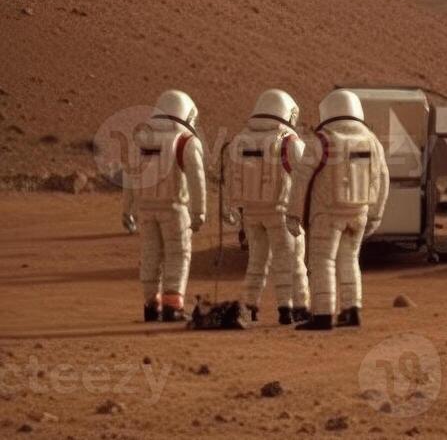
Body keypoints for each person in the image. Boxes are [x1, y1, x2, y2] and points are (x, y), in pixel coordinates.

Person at [287, 90, 388, 331]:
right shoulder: (372, 141)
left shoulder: (322, 140)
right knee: (350, 260)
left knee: (323, 261)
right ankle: (352, 310)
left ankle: (323, 314)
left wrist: (293, 214)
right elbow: (382, 179)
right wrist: (375, 215)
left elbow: (301, 179)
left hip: (327, 215)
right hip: (359, 212)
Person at [223, 89, 311, 325]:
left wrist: (232, 209)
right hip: (281, 213)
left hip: (251, 214)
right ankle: (292, 308)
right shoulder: (289, 141)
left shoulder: (239, 141)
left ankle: (250, 306)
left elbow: (230, 179)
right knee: (291, 260)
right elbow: (304, 178)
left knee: (256, 261)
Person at [122, 90, 207, 322]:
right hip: (174, 209)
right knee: (177, 254)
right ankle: (173, 305)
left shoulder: (141, 141)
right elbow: (196, 179)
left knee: (150, 254)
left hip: (146, 209)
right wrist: (199, 211)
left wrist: (127, 208)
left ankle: (151, 305)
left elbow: (130, 178)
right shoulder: (185, 142)